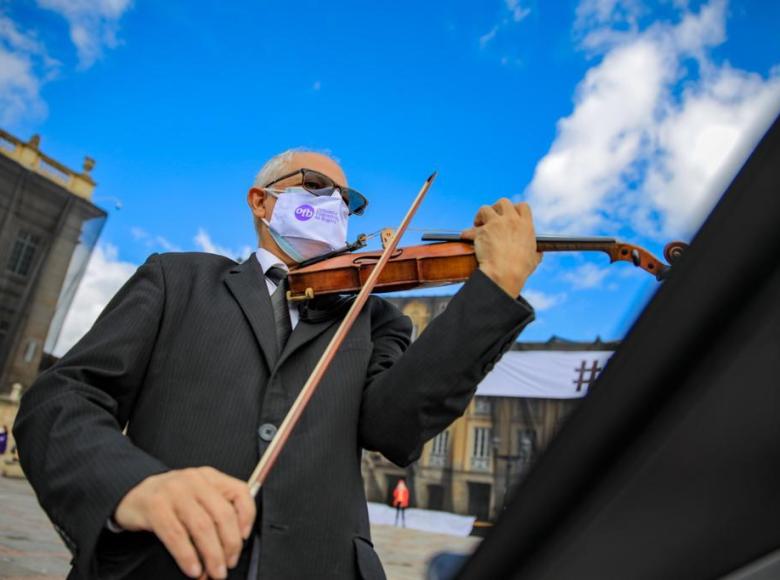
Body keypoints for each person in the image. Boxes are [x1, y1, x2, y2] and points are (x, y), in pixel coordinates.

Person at [13, 149, 541, 579]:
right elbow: (64, 398)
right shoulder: (178, 280)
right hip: (161, 566)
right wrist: (133, 485)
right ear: (261, 202)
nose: (336, 201)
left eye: (347, 199)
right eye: (316, 186)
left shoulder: (374, 318)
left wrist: (493, 291)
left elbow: (395, 428)